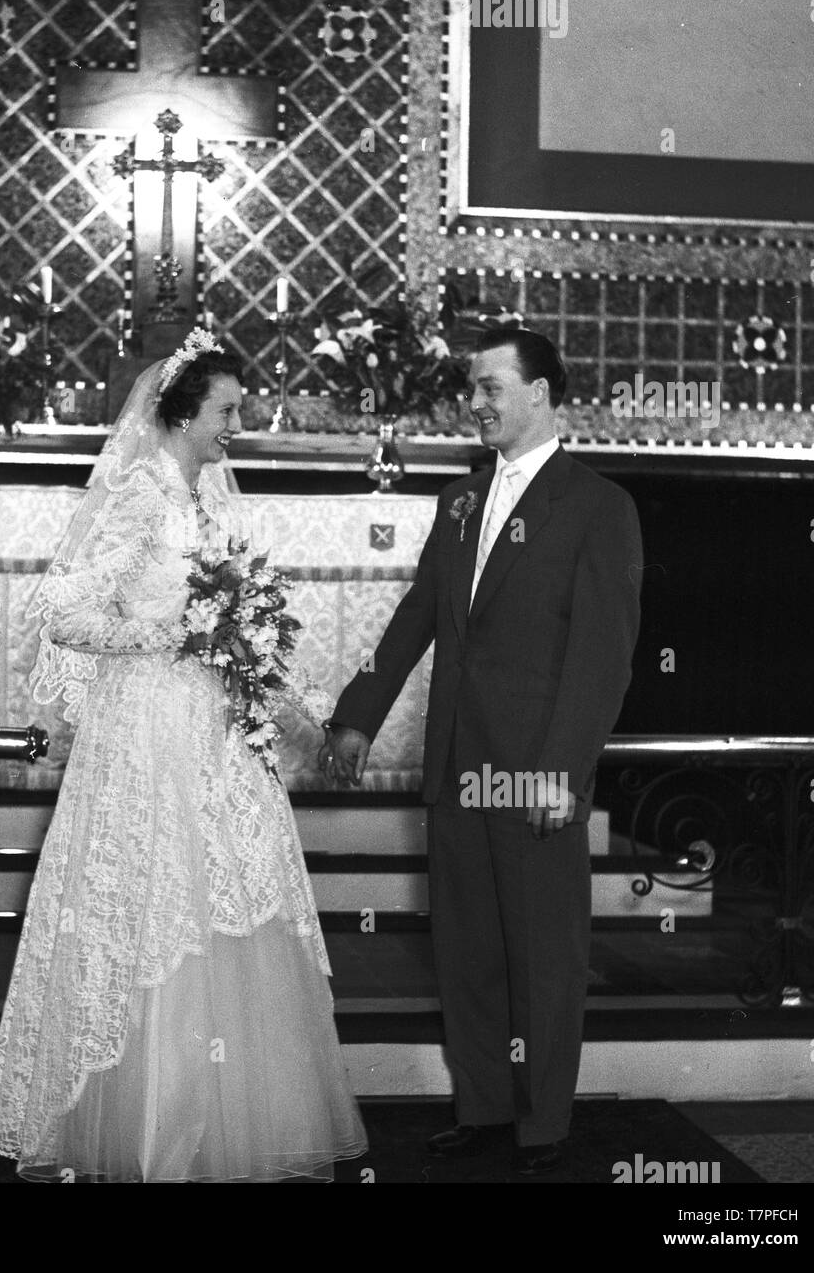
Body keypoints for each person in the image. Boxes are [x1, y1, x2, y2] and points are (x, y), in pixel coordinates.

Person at [0, 330, 367, 1181]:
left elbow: (239, 627)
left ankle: (219, 1125)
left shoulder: (209, 504)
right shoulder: (141, 498)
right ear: (183, 413)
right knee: (150, 907)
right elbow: (59, 611)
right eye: (227, 410)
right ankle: (138, 1123)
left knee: (222, 901)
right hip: (145, 731)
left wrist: (298, 710)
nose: (237, 424)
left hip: (214, 737)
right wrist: (160, 634)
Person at [321, 327, 643, 1177]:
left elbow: (603, 658)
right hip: (456, 767)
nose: (477, 403)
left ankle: (543, 1124)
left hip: (532, 771)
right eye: (473, 388)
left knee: (542, 951)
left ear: (540, 393)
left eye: (492, 387)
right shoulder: (459, 500)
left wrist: (563, 771)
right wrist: (358, 717)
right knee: (466, 950)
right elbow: (418, 618)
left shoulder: (599, 506)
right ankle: (483, 1106)